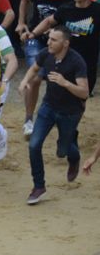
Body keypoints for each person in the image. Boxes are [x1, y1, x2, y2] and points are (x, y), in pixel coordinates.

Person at [18, 26, 87, 204]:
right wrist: (24, 81)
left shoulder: (76, 61)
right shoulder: (45, 53)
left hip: (70, 112)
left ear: (65, 43)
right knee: (34, 145)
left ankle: (74, 154)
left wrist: (65, 83)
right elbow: (34, 69)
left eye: (53, 40)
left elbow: (84, 93)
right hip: (48, 107)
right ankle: (39, 186)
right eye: (49, 39)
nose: (48, 42)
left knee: (62, 151)